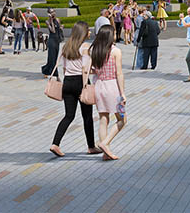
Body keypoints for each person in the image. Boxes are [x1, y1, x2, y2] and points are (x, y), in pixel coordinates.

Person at [49, 22, 101, 157]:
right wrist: (86, 83)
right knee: (87, 116)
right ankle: (91, 147)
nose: (89, 33)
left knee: (69, 115)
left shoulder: (66, 47)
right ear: (83, 33)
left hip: (68, 82)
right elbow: (85, 69)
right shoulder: (85, 47)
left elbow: (65, 68)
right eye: (88, 31)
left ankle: (55, 143)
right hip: (80, 82)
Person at [88, 25, 126, 160]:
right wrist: (123, 93)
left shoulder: (94, 51)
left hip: (99, 86)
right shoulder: (116, 51)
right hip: (112, 87)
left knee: (103, 118)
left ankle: (106, 153)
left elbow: (91, 70)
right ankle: (105, 143)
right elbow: (119, 73)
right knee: (122, 119)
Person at [41, 9, 63, 77]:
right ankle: (55, 74)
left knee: (55, 57)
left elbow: (59, 29)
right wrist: (51, 21)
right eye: (51, 12)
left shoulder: (58, 20)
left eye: (53, 12)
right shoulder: (47, 21)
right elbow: (53, 30)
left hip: (57, 41)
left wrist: (61, 28)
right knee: (51, 57)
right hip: (51, 40)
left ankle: (46, 70)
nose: (53, 13)